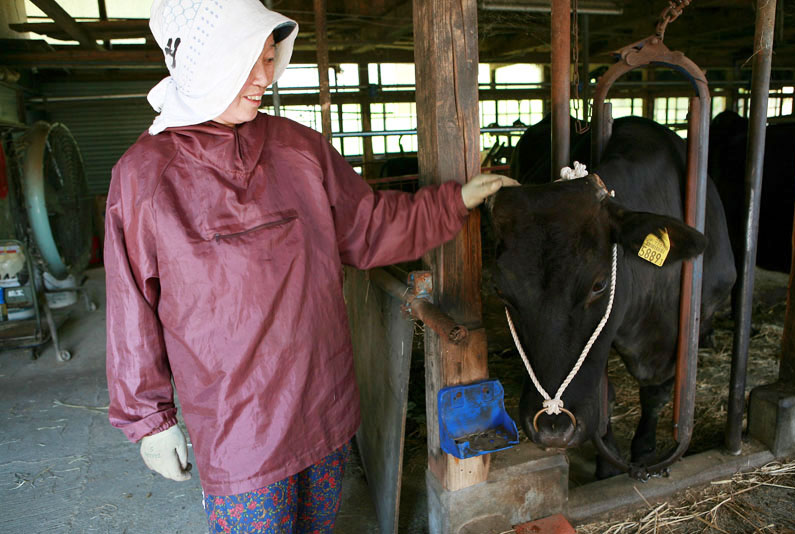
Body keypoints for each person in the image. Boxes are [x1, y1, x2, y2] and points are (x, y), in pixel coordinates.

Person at [105, 1, 516, 532]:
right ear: (204, 63)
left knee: (320, 523)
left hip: (323, 402)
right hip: (239, 428)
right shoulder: (145, 176)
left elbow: (368, 227)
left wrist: (452, 203)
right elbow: (131, 310)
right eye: (248, 61)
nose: (265, 78)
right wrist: (150, 420)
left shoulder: (299, 149)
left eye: (271, 59)